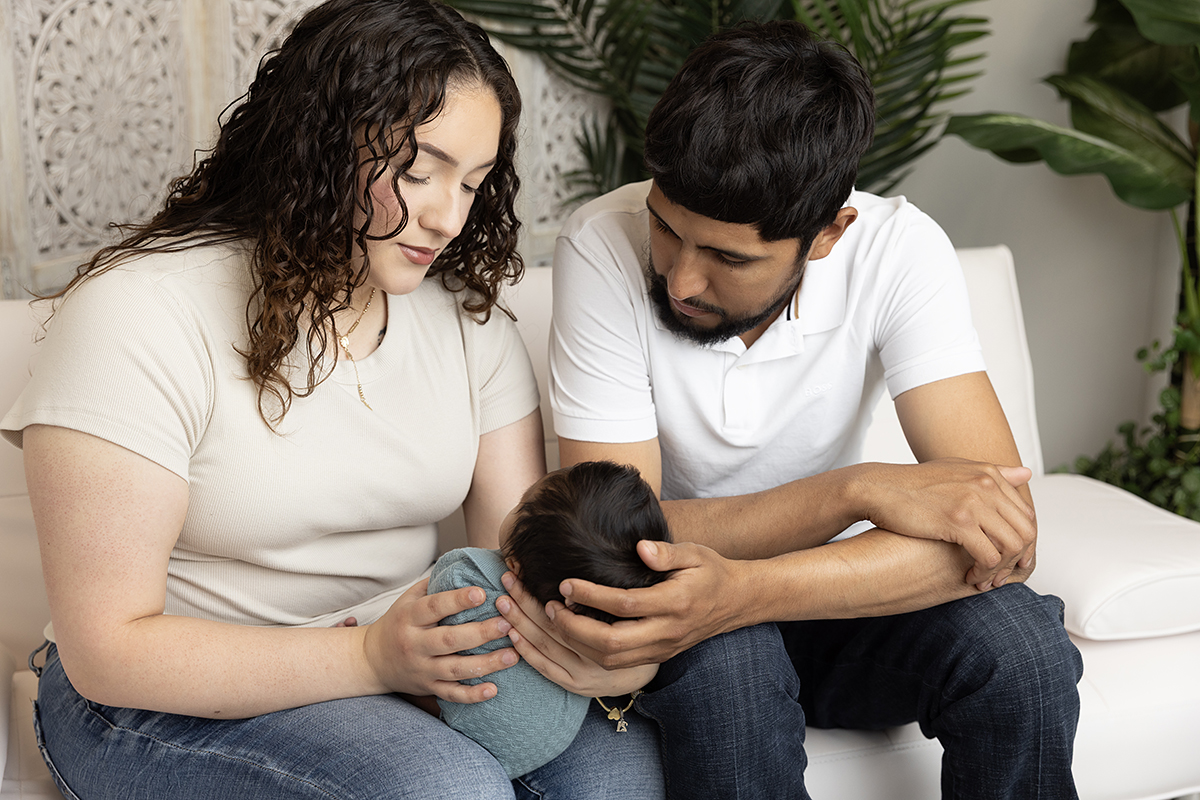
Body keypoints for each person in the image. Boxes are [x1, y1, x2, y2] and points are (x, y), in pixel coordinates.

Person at [0, 1, 663, 797]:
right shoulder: (138, 314)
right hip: (153, 698)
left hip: (407, 659)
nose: (448, 217)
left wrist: (599, 641)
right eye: (418, 173)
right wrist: (369, 656)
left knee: (621, 772)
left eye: (474, 183)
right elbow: (109, 651)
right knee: (443, 789)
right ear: (318, 143)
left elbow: (519, 561)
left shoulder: (463, 318)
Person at [493, 20, 1085, 800]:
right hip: (691, 623)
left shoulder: (900, 253)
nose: (681, 281)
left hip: (833, 605)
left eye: (729, 258)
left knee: (1023, 647)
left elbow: (1001, 534)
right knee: (730, 663)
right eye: (668, 231)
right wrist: (857, 490)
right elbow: (614, 535)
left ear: (829, 233)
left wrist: (750, 587)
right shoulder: (601, 246)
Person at [429, 460, 672, 779]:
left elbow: (425, 613)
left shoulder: (467, 574)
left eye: (521, 504)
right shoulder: (606, 616)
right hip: (552, 740)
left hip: (478, 736)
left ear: (514, 566)